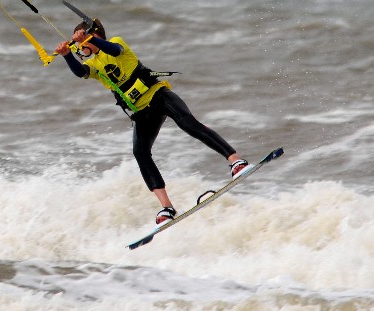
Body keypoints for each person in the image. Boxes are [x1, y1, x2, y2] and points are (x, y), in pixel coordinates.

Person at [53, 18, 251, 225]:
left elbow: (113, 50)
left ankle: (236, 161)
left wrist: (88, 38)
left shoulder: (116, 43)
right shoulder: (92, 64)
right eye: (77, 46)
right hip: (141, 112)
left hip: (159, 96)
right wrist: (67, 56)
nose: (80, 49)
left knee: (188, 124)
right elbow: (80, 72)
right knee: (140, 152)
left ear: (95, 37)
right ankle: (166, 207)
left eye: (82, 44)